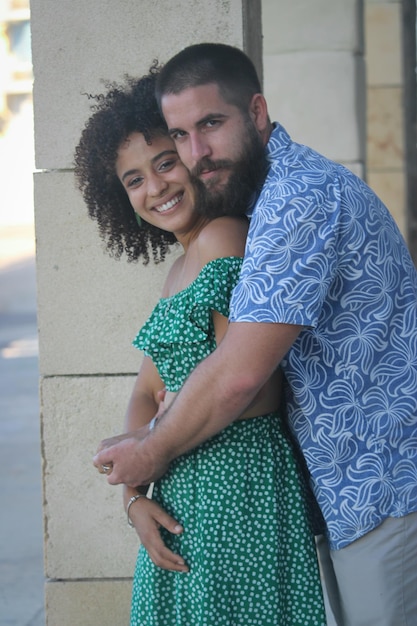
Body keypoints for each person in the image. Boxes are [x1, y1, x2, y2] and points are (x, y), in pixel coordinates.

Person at [93, 44, 417, 626]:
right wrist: (137, 491)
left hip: (381, 481)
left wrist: (148, 450)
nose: (197, 154)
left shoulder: (295, 200)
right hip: (339, 490)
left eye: (211, 124)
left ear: (257, 111)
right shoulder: (265, 201)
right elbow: (166, 379)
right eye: (182, 135)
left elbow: (242, 376)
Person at [76, 68, 326, 625]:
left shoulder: (224, 237)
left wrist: (152, 438)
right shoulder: (177, 271)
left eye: (166, 162)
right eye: (134, 179)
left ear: (192, 157)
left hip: (237, 482)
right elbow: (148, 387)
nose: (156, 187)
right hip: (181, 488)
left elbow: (254, 388)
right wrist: (134, 498)